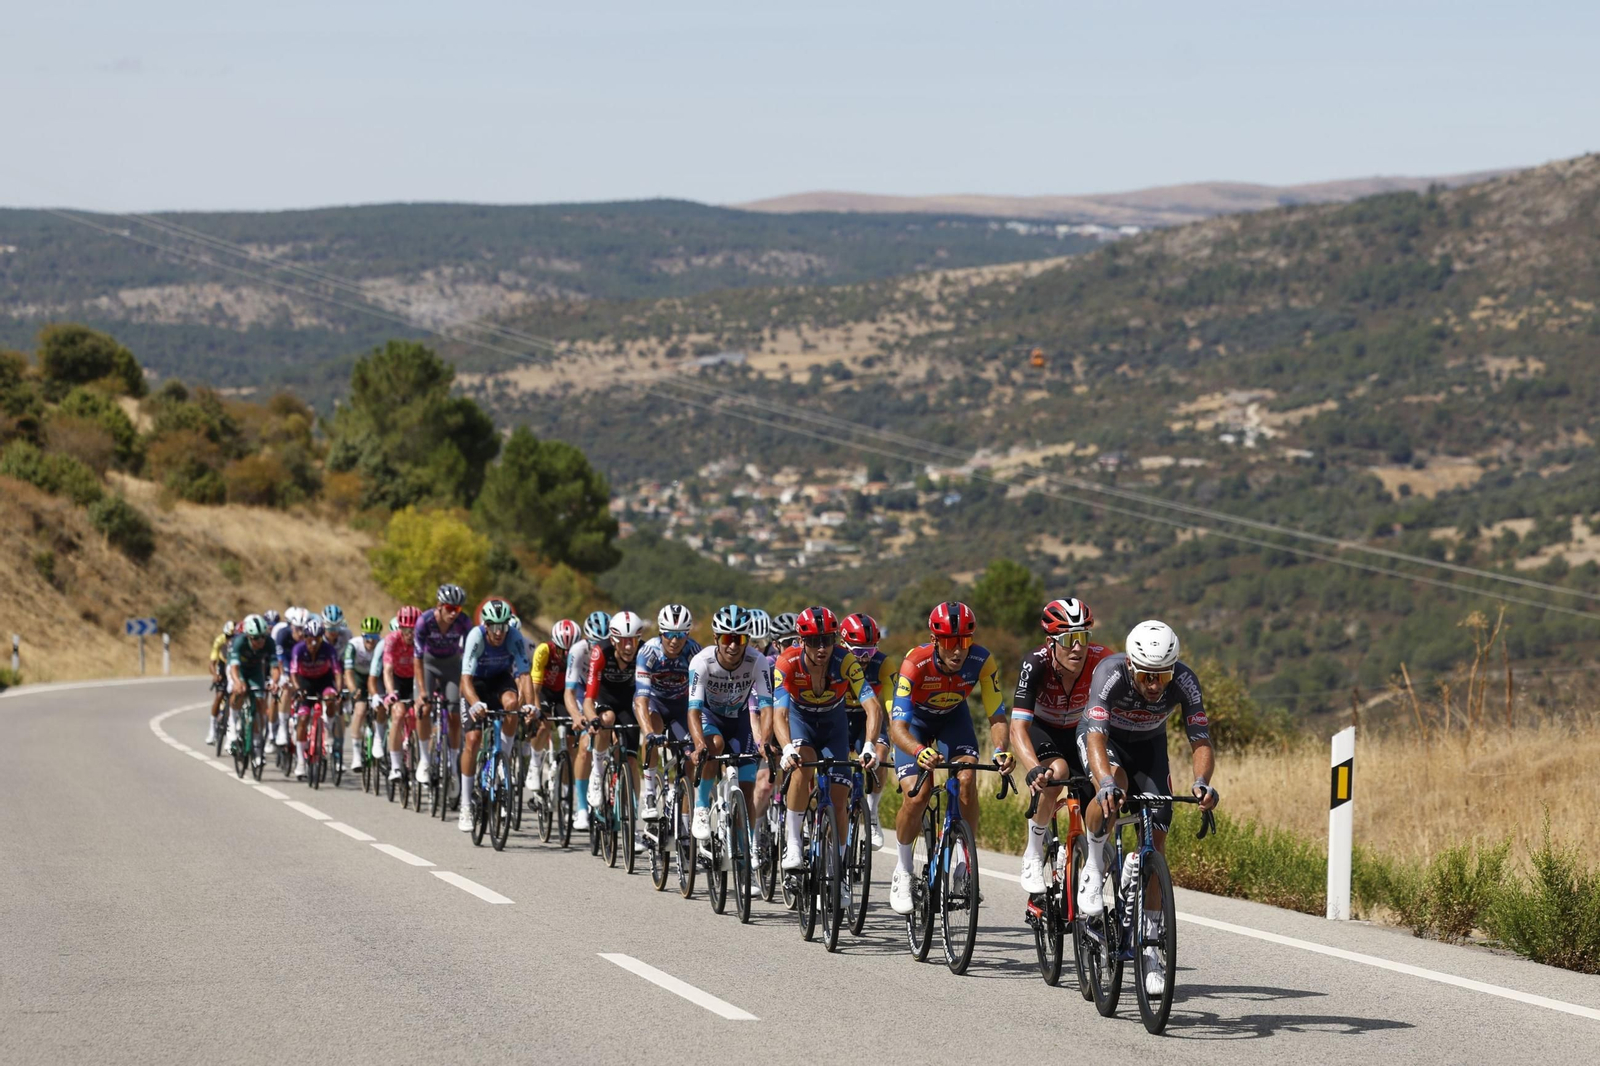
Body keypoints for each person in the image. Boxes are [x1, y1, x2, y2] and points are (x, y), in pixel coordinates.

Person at [1077, 619, 1217, 997]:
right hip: (1102, 742)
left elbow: (1200, 740)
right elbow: (1093, 733)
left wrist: (1202, 782)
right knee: (1113, 791)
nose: (1155, 686)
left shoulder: (1185, 681)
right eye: (1147, 677)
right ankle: (1092, 862)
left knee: (1158, 829)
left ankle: (1152, 947)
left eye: (1163, 676)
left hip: (1148, 748)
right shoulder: (1110, 673)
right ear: (1132, 667)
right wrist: (1104, 780)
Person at [887, 601, 1012, 915]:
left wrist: (1001, 751)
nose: (958, 651)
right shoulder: (913, 664)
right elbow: (897, 726)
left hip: (953, 720)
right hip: (914, 725)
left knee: (967, 780)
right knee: (917, 795)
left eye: (964, 642)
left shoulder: (982, 661)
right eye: (950, 643)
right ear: (935, 641)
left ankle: (963, 866)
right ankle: (903, 870)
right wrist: (918, 750)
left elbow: (997, 716)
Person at [772, 607, 884, 912]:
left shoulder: (845, 661)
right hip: (801, 721)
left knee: (839, 798)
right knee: (801, 766)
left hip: (834, 726)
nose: (822, 647)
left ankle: (841, 870)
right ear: (801, 640)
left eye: (829, 639)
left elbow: (872, 707)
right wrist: (785, 749)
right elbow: (779, 714)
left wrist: (870, 745)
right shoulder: (787, 662)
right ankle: (793, 843)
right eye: (815, 641)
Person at [1011, 598, 1109, 893]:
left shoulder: (1102, 660)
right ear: (1051, 642)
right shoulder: (1035, 663)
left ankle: (1085, 851)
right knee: (1055, 774)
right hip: (1044, 729)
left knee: (1099, 786)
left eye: (1083, 638)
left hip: (1080, 730)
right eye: (1068, 639)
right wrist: (1032, 769)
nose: (1078, 648)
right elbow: (1018, 728)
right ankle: (1033, 852)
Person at [687, 605, 773, 846]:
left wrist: (764, 741)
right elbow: (693, 710)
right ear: (716, 638)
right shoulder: (701, 662)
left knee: (747, 792)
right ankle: (702, 806)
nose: (733, 645)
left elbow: (767, 707)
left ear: (747, 639)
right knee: (714, 744)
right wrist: (698, 745)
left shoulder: (758, 661)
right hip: (709, 716)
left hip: (739, 721)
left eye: (740, 639)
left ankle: (745, 858)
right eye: (727, 638)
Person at [458, 599, 536, 831]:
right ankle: (464, 805)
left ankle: (503, 755)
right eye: (494, 627)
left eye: (504, 626)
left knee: (512, 703)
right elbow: (465, 680)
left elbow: (524, 675)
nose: (500, 632)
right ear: (486, 625)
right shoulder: (476, 636)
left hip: (500, 679)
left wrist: (530, 705)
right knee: (472, 740)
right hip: (476, 684)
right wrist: (474, 704)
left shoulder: (514, 636)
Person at [634, 604, 701, 818]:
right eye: (669, 634)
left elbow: (700, 696)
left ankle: (684, 821)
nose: (674, 640)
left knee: (690, 760)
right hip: (654, 702)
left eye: (680, 634)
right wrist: (649, 733)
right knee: (653, 729)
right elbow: (641, 699)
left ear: (687, 634)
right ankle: (650, 793)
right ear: (661, 633)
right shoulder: (649, 652)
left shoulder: (693, 652)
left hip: (681, 707)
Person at [584, 611, 645, 821]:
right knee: (606, 719)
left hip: (629, 704)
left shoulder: (644, 652)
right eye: (623, 641)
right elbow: (588, 698)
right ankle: (598, 771)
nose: (629, 647)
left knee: (630, 760)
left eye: (634, 640)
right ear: (613, 639)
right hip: (605, 698)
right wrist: (593, 718)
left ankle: (632, 819)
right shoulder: (600, 652)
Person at [840, 612, 893, 847]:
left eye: (870, 651)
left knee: (880, 755)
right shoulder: (835, 660)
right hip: (838, 716)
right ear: (843, 644)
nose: (864, 658)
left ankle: (871, 815)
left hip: (868, 717)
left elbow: (891, 706)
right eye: (858, 651)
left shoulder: (883, 663)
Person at [413, 584, 472, 790]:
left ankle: (453, 766)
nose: (454, 613)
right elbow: (418, 659)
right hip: (428, 664)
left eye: (458, 609)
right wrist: (422, 691)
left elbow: (471, 653)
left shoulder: (464, 622)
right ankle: (424, 759)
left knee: (456, 713)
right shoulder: (424, 621)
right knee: (425, 708)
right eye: (449, 608)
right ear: (439, 606)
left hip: (452, 665)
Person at [565, 611, 610, 830]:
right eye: (593, 642)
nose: (597, 647)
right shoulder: (578, 650)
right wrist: (577, 716)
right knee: (584, 746)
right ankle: (581, 808)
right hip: (585, 692)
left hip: (605, 692)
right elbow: (569, 692)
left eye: (602, 642)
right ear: (586, 638)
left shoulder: (611, 650)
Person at [288, 617, 341, 780]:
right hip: (305, 683)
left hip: (324, 681)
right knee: (303, 719)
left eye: (317, 638)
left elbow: (338, 672)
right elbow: (294, 673)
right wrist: (297, 689)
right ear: (305, 638)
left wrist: (339, 691)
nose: (314, 642)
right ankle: (301, 763)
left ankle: (329, 731)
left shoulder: (328, 649)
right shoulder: (298, 649)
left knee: (331, 698)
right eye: (310, 638)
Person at [223, 615, 275, 755]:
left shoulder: (269, 643)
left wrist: (274, 682)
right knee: (238, 691)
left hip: (255, 670)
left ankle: (258, 741)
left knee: (260, 701)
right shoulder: (239, 642)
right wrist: (238, 682)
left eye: (263, 636)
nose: (261, 641)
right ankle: (232, 728)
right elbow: (233, 667)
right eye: (256, 638)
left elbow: (276, 667)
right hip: (237, 670)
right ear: (248, 637)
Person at [384, 606, 421, 782]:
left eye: (414, 630)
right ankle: (396, 766)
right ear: (400, 628)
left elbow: (429, 667)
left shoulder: (423, 641)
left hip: (415, 679)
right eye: (406, 630)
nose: (410, 634)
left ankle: (421, 761)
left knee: (418, 715)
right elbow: (388, 669)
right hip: (398, 679)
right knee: (398, 714)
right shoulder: (392, 640)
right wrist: (391, 692)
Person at [343, 616, 383, 769]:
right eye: (367, 637)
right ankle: (356, 756)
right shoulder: (353, 645)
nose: (371, 641)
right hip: (358, 677)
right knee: (359, 711)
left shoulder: (382, 645)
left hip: (376, 677)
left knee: (381, 707)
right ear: (362, 635)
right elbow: (348, 671)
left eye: (374, 637)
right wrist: (353, 691)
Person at [207, 619, 237, 745]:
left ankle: (232, 733)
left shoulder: (239, 642)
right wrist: (215, 675)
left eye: (232, 636)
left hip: (235, 666)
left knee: (235, 702)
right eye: (228, 636)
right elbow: (212, 663)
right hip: (223, 665)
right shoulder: (219, 640)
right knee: (219, 695)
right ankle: (212, 729)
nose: (230, 639)